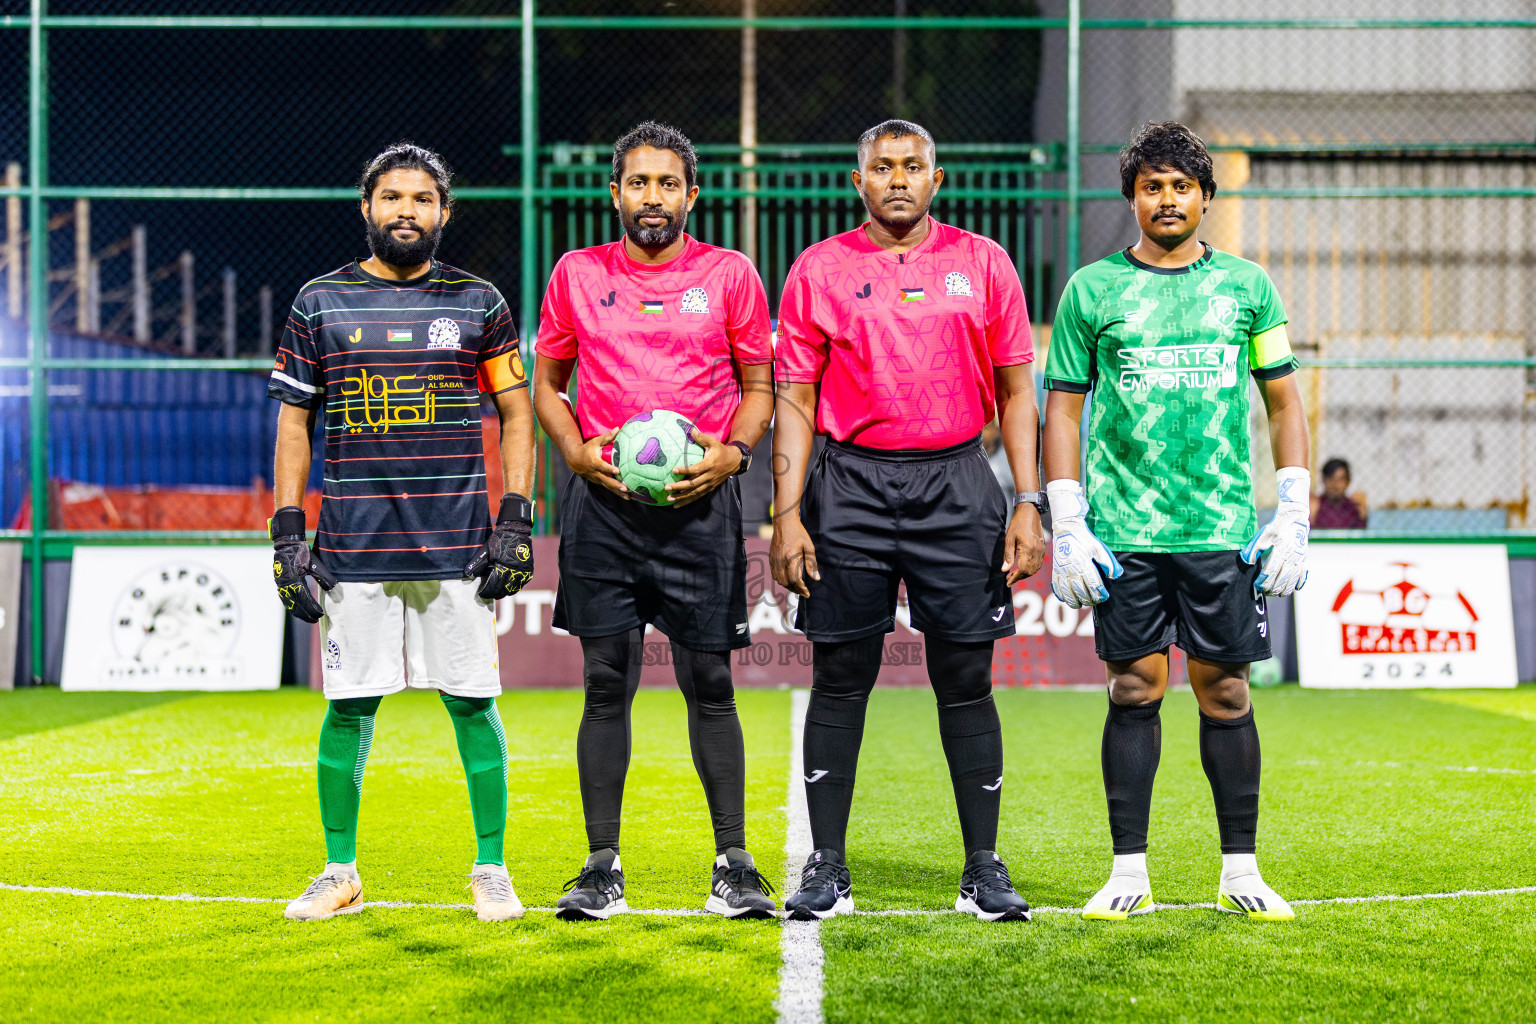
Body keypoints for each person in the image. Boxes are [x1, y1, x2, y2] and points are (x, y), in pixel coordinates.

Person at [772, 119, 1045, 923]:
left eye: (913, 165)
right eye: (882, 166)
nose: (897, 178)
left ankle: (983, 868)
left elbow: (1019, 391)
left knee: (965, 681)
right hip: (849, 487)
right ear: (858, 180)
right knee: (840, 678)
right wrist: (786, 515)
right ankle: (827, 866)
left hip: (959, 482)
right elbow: (793, 398)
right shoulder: (819, 269)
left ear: (937, 178)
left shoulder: (984, 263)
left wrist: (1027, 500)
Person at [1042, 121, 1308, 923]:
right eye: (1152, 185)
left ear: (1204, 197)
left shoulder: (1248, 287)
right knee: (1134, 687)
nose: (1167, 198)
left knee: (1225, 691)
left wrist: (1291, 509)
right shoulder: (1091, 290)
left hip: (1221, 530)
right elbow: (1062, 408)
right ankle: (1129, 871)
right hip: (1125, 533)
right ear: (1131, 197)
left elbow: (1283, 397)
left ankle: (1241, 870)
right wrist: (1065, 517)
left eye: (1181, 185)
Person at [268, 143, 536, 924]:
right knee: (349, 707)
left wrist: (515, 521)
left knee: (472, 701)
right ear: (367, 207)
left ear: (444, 212)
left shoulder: (479, 301)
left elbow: (517, 412)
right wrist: (289, 536)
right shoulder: (320, 302)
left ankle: (490, 867)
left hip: (457, 545)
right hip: (352, 549)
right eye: (392, 198)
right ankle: (339, 870)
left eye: (422, 199)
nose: (406, 211)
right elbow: (293, 422)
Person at [532, 121, 778, 920]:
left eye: (667, 184)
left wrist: (734, 457)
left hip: (701, 508)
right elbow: (546, 385)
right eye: (638, 183)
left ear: (691, 195)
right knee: (607, 685)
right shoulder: (575, 274)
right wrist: (571, 449)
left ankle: (734, 862)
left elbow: (760, 387)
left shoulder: (730, 275)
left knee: (711, 683)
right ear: (615, 193)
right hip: (603, 509)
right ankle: (601, 865)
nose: (652, 198)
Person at [1312, 457, 1368, 529]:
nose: (1336, 485)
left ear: (1348, 481)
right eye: (1331, 479)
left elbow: (1360, 536)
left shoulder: (1353, 508)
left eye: (1341, 479)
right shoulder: (1316, 506)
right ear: (1324, 480)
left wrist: (1363, 515)